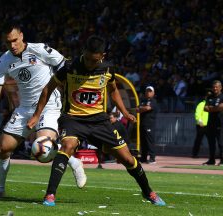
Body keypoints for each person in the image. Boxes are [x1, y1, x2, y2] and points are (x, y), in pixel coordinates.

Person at [27, 35, 166, 206]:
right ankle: (49, 196)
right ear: (84, 52)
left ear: (102, 56)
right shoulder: (70, 67)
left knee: (128, 159)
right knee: (67, 146)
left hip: (100, 121)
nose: (90, 64)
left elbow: (114, 90)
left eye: (95, 61)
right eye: (88, 59)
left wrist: (124, 111)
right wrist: (36, 115)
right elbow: (48, 89)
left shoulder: (107, 70)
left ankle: (149, 193)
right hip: (73, 119)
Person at [0, 21, 86, 199]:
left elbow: (65, 67)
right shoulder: (4, 60)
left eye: (14, 40)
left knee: (43, 147)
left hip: (49, 105)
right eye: (7, 42)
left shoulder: (40, 49)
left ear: (21, 36)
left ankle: (73, 160)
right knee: (3, 148)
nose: (12, 45)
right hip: (25, 108)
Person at [136, 86, 158, 164]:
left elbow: (148, 108)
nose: (148, 93)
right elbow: (137, 109)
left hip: (150, 124)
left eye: (150, 91)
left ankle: (152, 158)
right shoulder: (143, 100)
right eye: (147, 91)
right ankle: (143, 158)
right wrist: (143, 108)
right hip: (142, 124)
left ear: (153, 93)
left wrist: (142, 108)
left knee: (149, 141)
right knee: (143, 141)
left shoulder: (153, 101)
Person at [203, 80, 223, 165]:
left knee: (221, 143)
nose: (215, 88)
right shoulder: (209, 97)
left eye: (217, 87)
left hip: (220, 123)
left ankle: (222, 160)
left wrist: (211, 108)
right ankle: (211, 160)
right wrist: (215, 108)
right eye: (214, 87)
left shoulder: (222, 96)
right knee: (211, 143)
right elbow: (205, 108)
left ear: (220, 88)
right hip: (210, 123)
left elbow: (221, 107)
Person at [191, 91, 210, 158]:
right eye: (208, 96)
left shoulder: (212, 105)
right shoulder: (201, 104)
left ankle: (212, 155)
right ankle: (194, 154)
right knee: (198, 140)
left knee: (212, 141)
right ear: (205, 97)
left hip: (209, 125)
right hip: (201, 125)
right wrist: (200, 121)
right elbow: (197, 114)